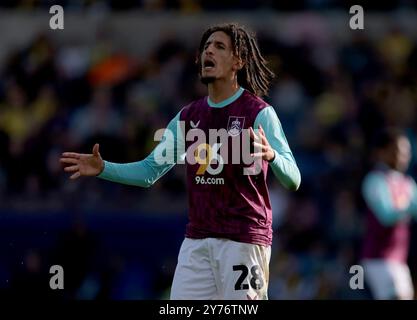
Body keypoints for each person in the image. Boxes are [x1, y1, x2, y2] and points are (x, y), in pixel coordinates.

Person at [60, 23, 301, 300]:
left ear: (238, 61)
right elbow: (150, 172)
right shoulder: (188, 117)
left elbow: (293, 178)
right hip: (197, 243)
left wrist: (271, 155)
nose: (209, 50)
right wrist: (103, 168)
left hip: (243, 242)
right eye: (206, 47)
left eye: (219, 46)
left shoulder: (259, 113)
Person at [360, 127, 417, 300]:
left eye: (407, 152)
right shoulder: (375, 180)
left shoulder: (408, 182)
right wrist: (409, 208)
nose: (404, 156)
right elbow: (385, 215)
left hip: (400, 258)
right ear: (382, 152)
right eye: (398, 151)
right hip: (379, 258)